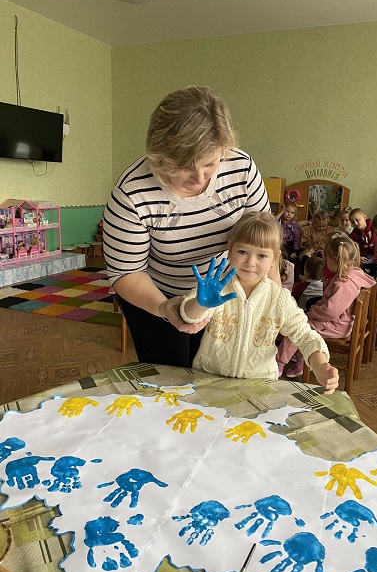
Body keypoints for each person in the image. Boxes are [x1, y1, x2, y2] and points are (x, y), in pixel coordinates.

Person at [102, 86, 273, 367]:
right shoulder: (131, 193)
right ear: (159, 157)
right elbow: (126, 272)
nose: (200, 178)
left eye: (210, 164)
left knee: (220, 372)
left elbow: (265, 242)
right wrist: (163, 307)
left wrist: (271, 302)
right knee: (171, 376)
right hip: (157, 294)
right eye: (184, 167)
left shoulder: (241, 169)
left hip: (224, 291)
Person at [179, 212, 339, 393]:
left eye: (262, 255)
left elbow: (305, 336)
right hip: (208, 382)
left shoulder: (279, 298)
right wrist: (200, 304)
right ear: (230, 249)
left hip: (260, 387)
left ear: (274, 259)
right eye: (242, 252)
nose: (250, 262)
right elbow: (189, 316)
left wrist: (320, 366)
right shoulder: (217, 288)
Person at [277, 236, 375, 378]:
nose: (325, 263)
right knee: (304, 324)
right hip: (342, 322)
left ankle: (279, 363)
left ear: (334, 259)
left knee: (298, 328)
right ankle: (300, 360)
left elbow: (330, 311)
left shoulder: (344, 284)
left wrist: (312, 312)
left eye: (326, 259)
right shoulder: (355, 273)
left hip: (337, 326)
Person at [298, 210, 333, 275]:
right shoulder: (310, 230)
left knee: (320, 255)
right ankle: (304, 274)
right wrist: (309, 242)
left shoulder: (329, 230)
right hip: (311, 249)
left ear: (327, 222)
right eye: (319, 226)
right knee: (306, 256)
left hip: (323, 249)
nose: (321, 228)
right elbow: (304, 241)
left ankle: (320, 274)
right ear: (314, 223)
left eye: (323, 226)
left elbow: (332, 241)